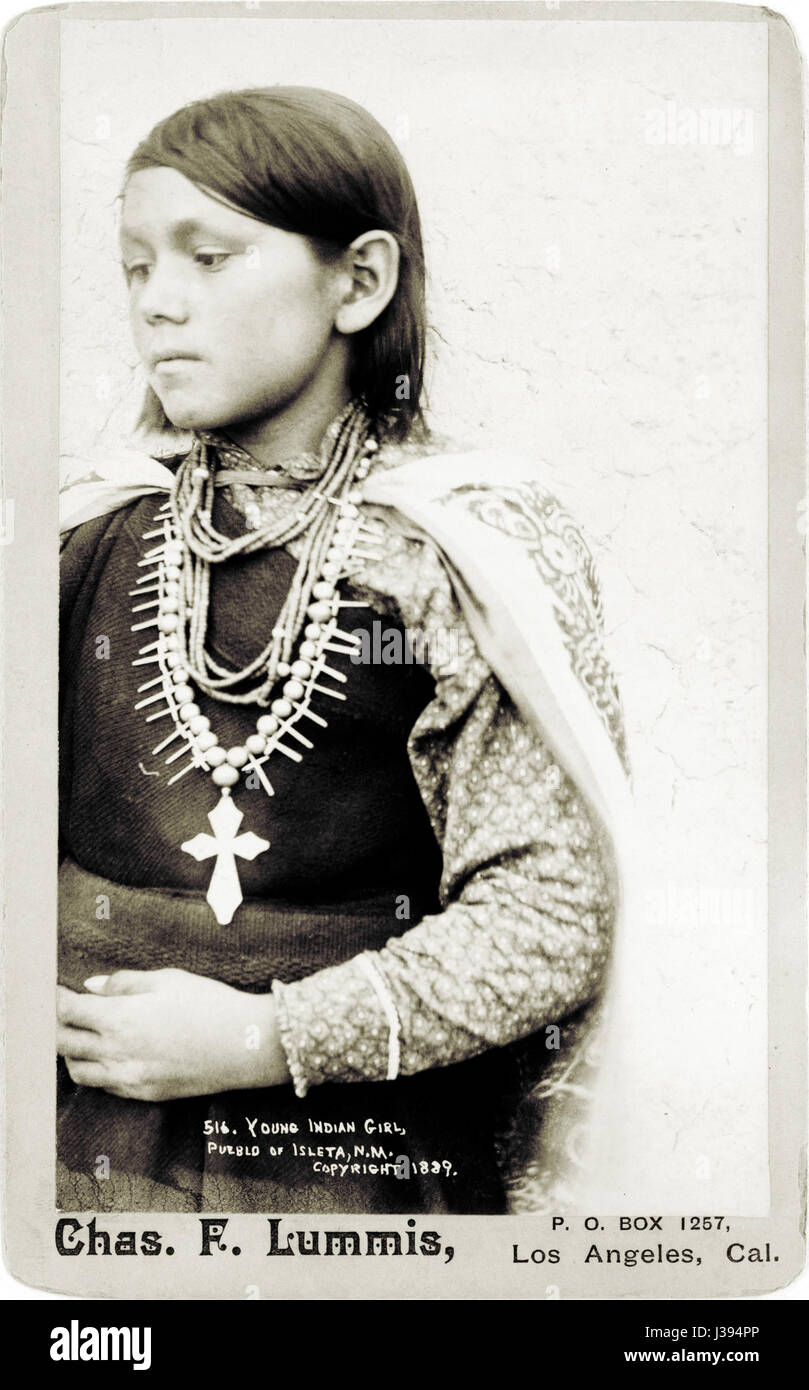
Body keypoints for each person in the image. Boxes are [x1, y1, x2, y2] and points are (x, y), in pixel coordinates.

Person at [57, 86, 631, 1216]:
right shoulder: (84, 533)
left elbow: (549, 915)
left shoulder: (455, 549)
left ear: (358, 282)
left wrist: (266, 1034)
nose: (158, 304)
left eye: (207, 258)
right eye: (135, 266)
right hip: (78, 1152)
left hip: (358, 1179)